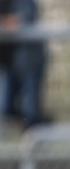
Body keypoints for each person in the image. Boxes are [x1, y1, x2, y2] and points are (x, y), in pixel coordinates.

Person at [0, 0, 49, 129]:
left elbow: (18, 22)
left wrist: (6, 22)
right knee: (7, 108)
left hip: (29, 61)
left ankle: (36, 136)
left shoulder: (25, 2)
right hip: (8, 63)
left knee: (30, 111)